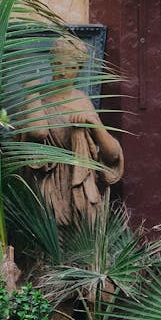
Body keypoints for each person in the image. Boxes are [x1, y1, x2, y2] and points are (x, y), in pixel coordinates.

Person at [23, 34, 124, 226]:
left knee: (84, 241)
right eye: (59, 63)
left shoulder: (82, 100)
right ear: (51, 62)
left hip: (82, 185)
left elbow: (111, 155)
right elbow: (38, 133)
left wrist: (94, 125)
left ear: (79, 69)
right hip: (50, 186)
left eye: (70, 67)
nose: (62, 71)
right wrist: (31, 95)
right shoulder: (37, 98)